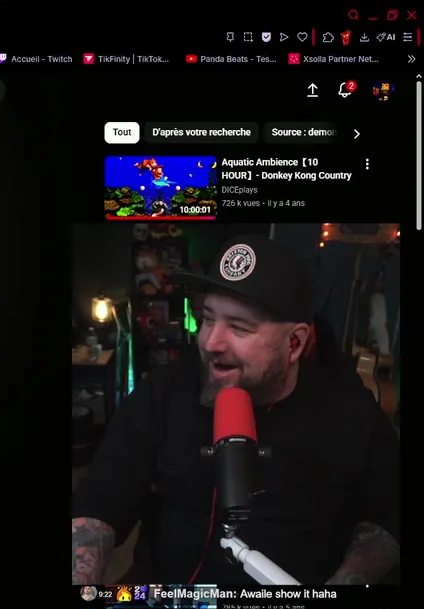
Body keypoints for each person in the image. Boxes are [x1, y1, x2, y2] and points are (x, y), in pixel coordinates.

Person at [72, 236, 400, 585]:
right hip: (168, 604)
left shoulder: (352, 412)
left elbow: (390, 516)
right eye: (208, 318)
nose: (211, 342)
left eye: (239, 328)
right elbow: (99, 502)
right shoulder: (163, 391)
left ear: (294, 343)